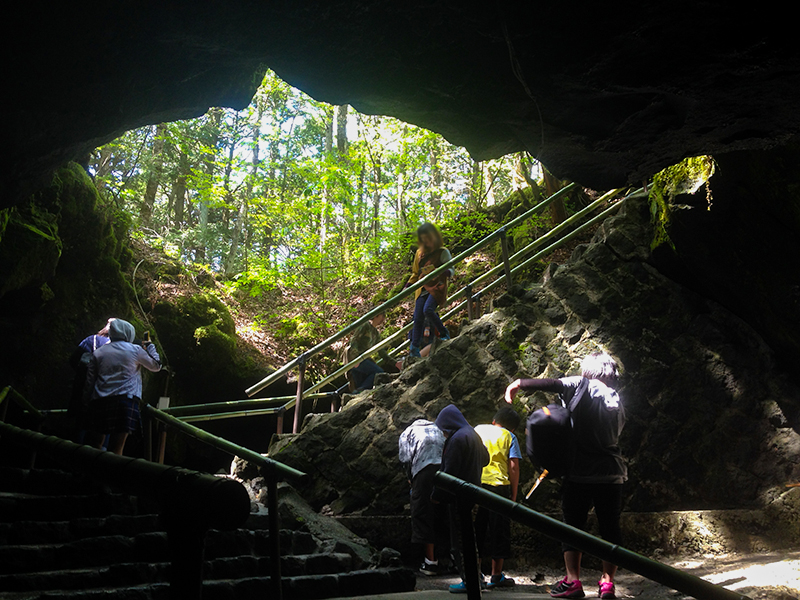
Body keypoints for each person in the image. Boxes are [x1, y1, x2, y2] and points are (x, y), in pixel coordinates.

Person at [505, 352, 626, 600]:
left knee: (572, 527)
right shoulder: (616, 397)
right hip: (612, 474)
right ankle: (607, 583)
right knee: (610, 527)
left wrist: (517, 384)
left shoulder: (580, 384)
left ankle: (573, 581)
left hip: (580, 473)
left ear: (589, 370)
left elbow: (552, 383)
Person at [432, 404, 490, 594]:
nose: (443, 432)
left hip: (459, 497)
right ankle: (477, 577)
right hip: (475, 493)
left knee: (460, 540)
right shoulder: (472, 434)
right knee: (471, 539)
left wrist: (437, 496)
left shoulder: (456, 439)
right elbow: (486, 459)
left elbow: (449, 471)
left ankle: (469, 581)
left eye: (443, 428)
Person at [84, 319, 161, 456]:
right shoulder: (135, 350)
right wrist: (150, 347)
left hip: (100, 401)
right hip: (126, 400)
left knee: (95, 443)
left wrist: (87, 402)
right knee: (117, 446)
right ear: (128, 333)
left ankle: (90, 472)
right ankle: (112, 475)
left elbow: (90, 381)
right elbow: (156, 366)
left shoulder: (99, 352)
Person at [473, 407, 522, 589]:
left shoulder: (478, 429)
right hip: (499, 487)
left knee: (478, 528)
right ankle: (496, 575)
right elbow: (514, 466)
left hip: (477, 485)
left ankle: (475, 573)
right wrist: (514, 495)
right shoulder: (510, 436)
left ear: (494, 420)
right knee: (499, 530)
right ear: (513, 428)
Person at [398, 418, 446, 575]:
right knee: (442, 514)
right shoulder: (438, 429)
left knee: (423, 514)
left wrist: (410, 478)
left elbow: (405, 458)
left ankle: (430, 562)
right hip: (445, 474)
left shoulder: (408, 432)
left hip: (423, 472)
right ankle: (448, 558)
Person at [406, 223, 453, 358]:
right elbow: (415, 273)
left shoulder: (442, 251)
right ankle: (414, 348)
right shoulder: (419, 254)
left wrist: (446, 272)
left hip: (437, 286)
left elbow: (450, 267)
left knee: (428, 310)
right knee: (418, 317)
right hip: (422, 287)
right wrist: (409, 284)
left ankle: (443, 332)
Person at [68, 318, 114, 422]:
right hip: (104, 388)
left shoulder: (91, 339)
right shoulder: (117, 347)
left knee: (80, 419)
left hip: (82, 384)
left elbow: (73, 359)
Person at [344, 310, 391, 392]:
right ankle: (358, 393)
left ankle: (356, 395)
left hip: (363, 359)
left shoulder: (375, 333)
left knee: (360, 383)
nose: (383, 319)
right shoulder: (365, 325)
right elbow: (354, 341)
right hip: (355, 358)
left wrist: (394, 363)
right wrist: (355, 359)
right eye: (382, 315)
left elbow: (381, 351)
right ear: (376, 315)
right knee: (378, 372)